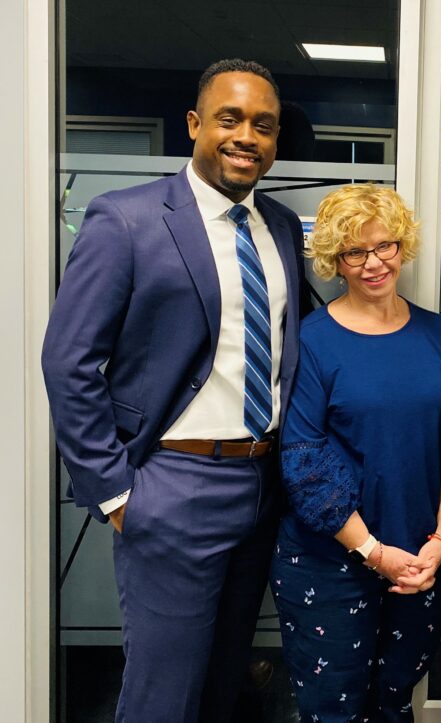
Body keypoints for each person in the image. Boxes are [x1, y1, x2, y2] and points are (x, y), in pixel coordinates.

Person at [41, 59, 306, 723]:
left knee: (223, 686)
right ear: (194, 124)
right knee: (163, 697)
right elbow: (69, 360)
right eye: (231, 118)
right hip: (171, 485)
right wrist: (115, 491)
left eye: (264, 125)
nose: (248, 135)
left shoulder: (278, 227)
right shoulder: (126, 219)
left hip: (261, 485)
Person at [270, 185, 441, 721]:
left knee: (394, 704)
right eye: (354, 252)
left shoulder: (435, 332)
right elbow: (303, 462)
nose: (374, 263)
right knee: (332, 712)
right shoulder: (311, 340)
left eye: (385, 246)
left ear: (402, 246)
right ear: (335, 261)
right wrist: (375, 553)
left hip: (420, 560)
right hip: (330, 564)